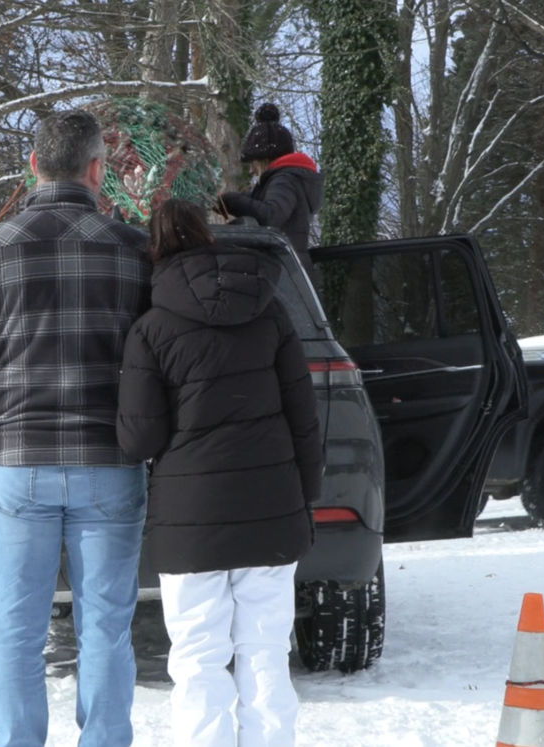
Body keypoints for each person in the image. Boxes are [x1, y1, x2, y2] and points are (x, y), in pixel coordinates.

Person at [0, 109, 152, 747]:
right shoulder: (136, 251)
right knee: (107, 627)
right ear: (97, 170)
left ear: (33, 166)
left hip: (17, 461)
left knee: (16, 630)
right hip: (110, 464)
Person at [116, 199, 322, 747]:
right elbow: (304, 417)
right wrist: (307, 497)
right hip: (271, 507)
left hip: (191, 519)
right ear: (209, 238)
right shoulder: (270, 309)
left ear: (153, 253)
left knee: (198, 661)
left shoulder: (150, 330)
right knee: (266, 654)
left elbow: (140, 439)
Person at [217, 103, 324, 276]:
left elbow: (271, 215)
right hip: (290, 271)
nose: (252, 170)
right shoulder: (287, 180)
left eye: (254, 163)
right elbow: (262, 202)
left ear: (265, 160)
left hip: (283, 274)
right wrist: (229, 201)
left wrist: (233, 201)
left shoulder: (284, 180)